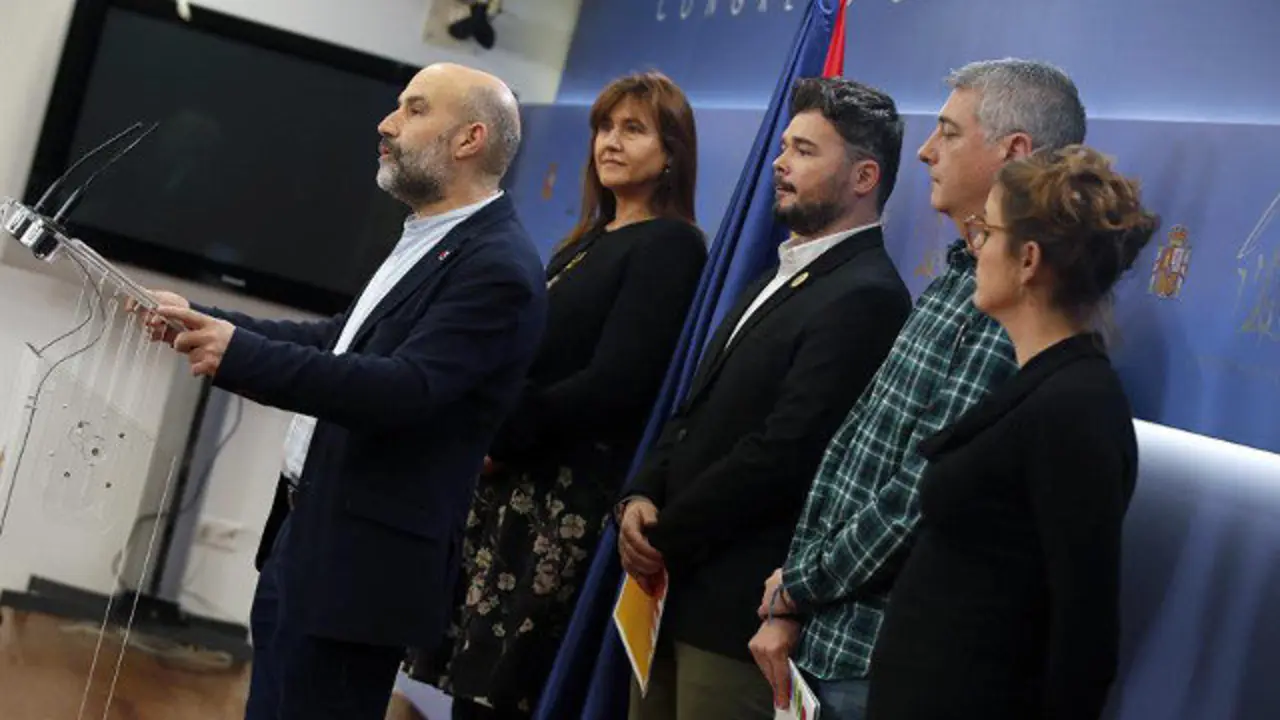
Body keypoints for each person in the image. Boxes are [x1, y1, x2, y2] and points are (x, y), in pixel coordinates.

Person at [136, 62, 547, 719]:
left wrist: (237, 354)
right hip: (310, 539)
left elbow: (404, 389)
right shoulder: (431, 236)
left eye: (414, 110)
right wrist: (206, 319)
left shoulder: (497, 267)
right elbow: (341, 338)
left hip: (361, 570)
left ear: (469, 139)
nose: (386, 125)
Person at [751, 58, 1088, 720]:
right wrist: (794, 594)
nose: (928, 152)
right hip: (829, 640)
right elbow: (855, 452)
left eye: (948, 134)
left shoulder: (1016, 303)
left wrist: (800, 587)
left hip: (882, 660)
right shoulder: (958, 276)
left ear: (1013, 152)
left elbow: (919, 491)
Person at [410, 71, 707, 720]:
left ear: (673, 153)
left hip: (562, 501)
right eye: (604, 126)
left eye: (633, 129)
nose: (610, 142)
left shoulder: (670, 246)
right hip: (512, 485)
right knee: (470, 693)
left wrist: (503, 432)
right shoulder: (588, 240)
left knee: (502, 702)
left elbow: (617, 382)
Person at [619, 76, 912, 720]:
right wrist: (640, 493)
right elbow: (697, 409)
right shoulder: (782, 270)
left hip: (736, 613)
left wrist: (667, 530)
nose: (780, 163)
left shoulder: (869, 294)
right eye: (784, 146)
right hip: (673, 591)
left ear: (865, 178)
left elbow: (787, 453)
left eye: (805, 151)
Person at [863, 144, 1156, 720]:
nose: (975, 250)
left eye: (985, 234)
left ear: (1027, 260)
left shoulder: (1075, 408)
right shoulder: (1041, 387)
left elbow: (1084, 632)